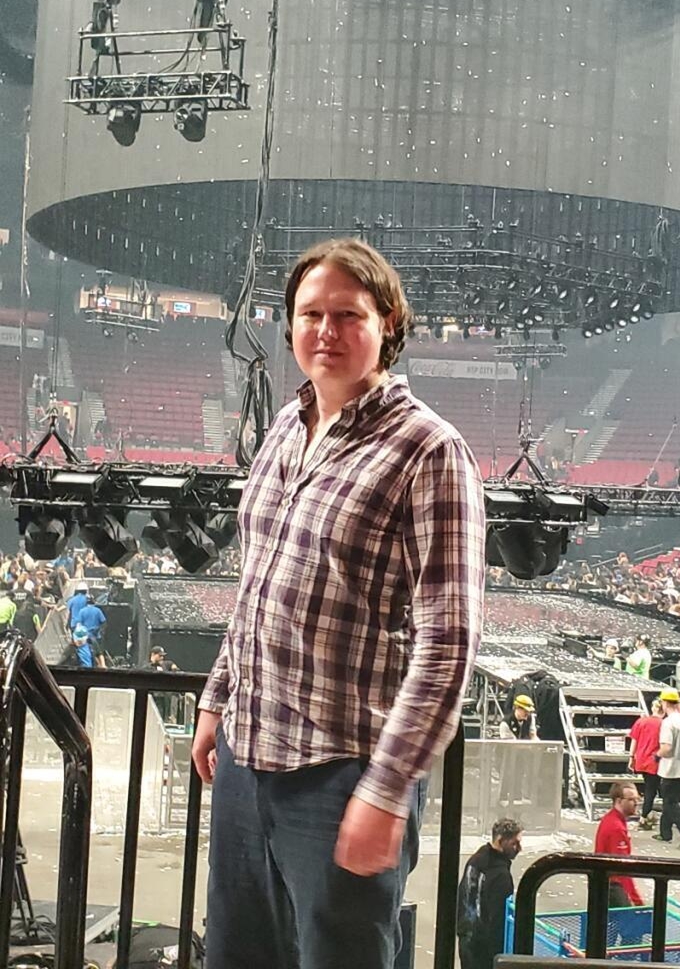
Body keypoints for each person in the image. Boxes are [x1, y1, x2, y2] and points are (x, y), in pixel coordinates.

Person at [191, 238, 486, 969]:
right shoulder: (284, 429)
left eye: (348, 315)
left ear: (388, 324)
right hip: (245, 762)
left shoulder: (430, 450)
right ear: (290, 324)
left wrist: (387, 790)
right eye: (310, 314)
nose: (326, 330)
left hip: (342, 774)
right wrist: (216, 701)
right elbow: (257, 584)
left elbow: (448, 643)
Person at [457, 819, 522, 969]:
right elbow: (498, 918)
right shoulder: (501, 876)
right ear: (500, 841)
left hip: (466, 936)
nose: (519, 848)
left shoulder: (476, 859)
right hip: (485, 948)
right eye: (514, 843)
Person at [653, 687, 680, 848]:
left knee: (671, 804)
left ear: (664, 703)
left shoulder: (668, 723)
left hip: (670, 769)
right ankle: (665, 833)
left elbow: (667, 747)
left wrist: (657, 755)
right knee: (669, 802)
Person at [594, 782, 644, 907]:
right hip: (613, 886)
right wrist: (636, 900)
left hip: (604, 882)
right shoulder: (616, 828)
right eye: (631, 799)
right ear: (619, 801)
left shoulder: (611, 819)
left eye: (637, 799)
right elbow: (622, 868)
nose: (636, 803)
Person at [628, 700, 663, 829]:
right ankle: (645, 816)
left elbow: (634, 740)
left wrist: (631, 757)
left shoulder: (641, 721)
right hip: (656, 760)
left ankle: (646, 815)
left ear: (653, 708)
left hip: (642, 759)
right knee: (652, 790)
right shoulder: (664, 724)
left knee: (649, 788)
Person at [74, 595, 107, 668]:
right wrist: (101, 631)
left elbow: (79, 624)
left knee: (85, 652)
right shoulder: (98, 611)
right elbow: (104, 622)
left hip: (84, 636)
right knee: (99, 652)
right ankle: (102, 665)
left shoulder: (82, 611)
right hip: (95, 636)